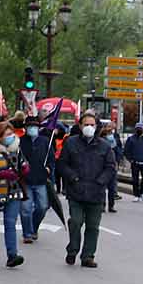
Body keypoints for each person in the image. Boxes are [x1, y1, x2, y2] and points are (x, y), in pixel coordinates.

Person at [57, 111, 116, 268]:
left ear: (96, 127)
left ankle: (88, 256)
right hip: (76, 191)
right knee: (76, 222)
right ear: (80, 126)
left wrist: (100, 182)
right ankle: (72, 249)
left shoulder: (104, 146)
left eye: (92, 125)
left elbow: (110, 168)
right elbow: (62, 164)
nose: (89, 127)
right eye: (86, 124)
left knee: (92, 226)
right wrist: (72, 177)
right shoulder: (71, 143)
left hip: (96, 193)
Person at [0, 120, 27, 268]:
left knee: (10, 223)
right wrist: (0, 174)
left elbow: (22, 163)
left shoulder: (17, 148)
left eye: (11, 133)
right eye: (7, 134)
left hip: (13, 191)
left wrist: (25, 168)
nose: (10, 136)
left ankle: (12, 255)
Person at [18, 118, 53, 244]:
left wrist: (49, 169)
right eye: (29, 126)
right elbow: (16, 159)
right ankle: (27, 233)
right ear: (25, 128)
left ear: (39, 128)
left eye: (34, 126)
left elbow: (51, 159)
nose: (32, 128)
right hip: (25, 181)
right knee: (26, 209)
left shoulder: (45, 142)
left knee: (42, 207)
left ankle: (34, 227)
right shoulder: (20, 142)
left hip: (41, 180)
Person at [124, 123, 143, 200]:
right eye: (137, 128)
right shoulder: (131, 139)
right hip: (135, 162)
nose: (139, 130)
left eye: (140, 128)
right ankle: (136, 195)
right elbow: (126, 150)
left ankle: (142, 192)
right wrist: (130, 159)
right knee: (135, 180)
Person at [105, 124, 125, 213]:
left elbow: (119, 149)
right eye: (109, 128)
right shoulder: (101, 137)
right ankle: (102, 205)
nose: (111, 129)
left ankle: (111, 205)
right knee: (102, 187)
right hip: (103, 164)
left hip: (113, 164)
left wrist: (118, 161)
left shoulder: (116, 137)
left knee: (112, 187)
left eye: (113, 128)